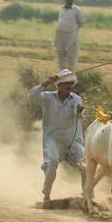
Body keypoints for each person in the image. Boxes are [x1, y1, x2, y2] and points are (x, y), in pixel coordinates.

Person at [28, 69, 86, 202]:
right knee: (52, 161)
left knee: (85, 165)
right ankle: (46, 196)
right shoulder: (47, 97)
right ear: (58, 84)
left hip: (72, 140)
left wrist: (78, 111)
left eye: (72, 83)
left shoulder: (76, 99)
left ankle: (87, 195)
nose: (70, 86)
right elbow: (32, 96)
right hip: (52, 138)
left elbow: (79, 115)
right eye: (66, 83)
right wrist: (45, 84)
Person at [54, 0, 85, 71]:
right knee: (60, 54)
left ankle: (71, 72)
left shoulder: (77, 10)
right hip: (60, 34)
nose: (69, 1)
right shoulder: (61, 9)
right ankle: (61, 72)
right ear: (65, 0)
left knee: (71, 54)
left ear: (73, 0)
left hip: (71, 35)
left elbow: (81, 23)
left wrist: (72, 29)